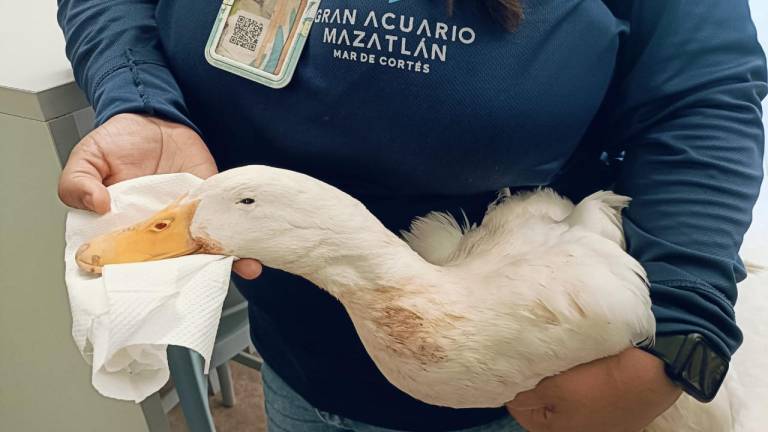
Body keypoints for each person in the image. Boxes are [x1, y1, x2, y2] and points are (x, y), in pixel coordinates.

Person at [56, 1, 766, 431]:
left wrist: (681, 337)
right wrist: (137, 94)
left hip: (538, 390)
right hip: (296, 350)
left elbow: (705, 95)